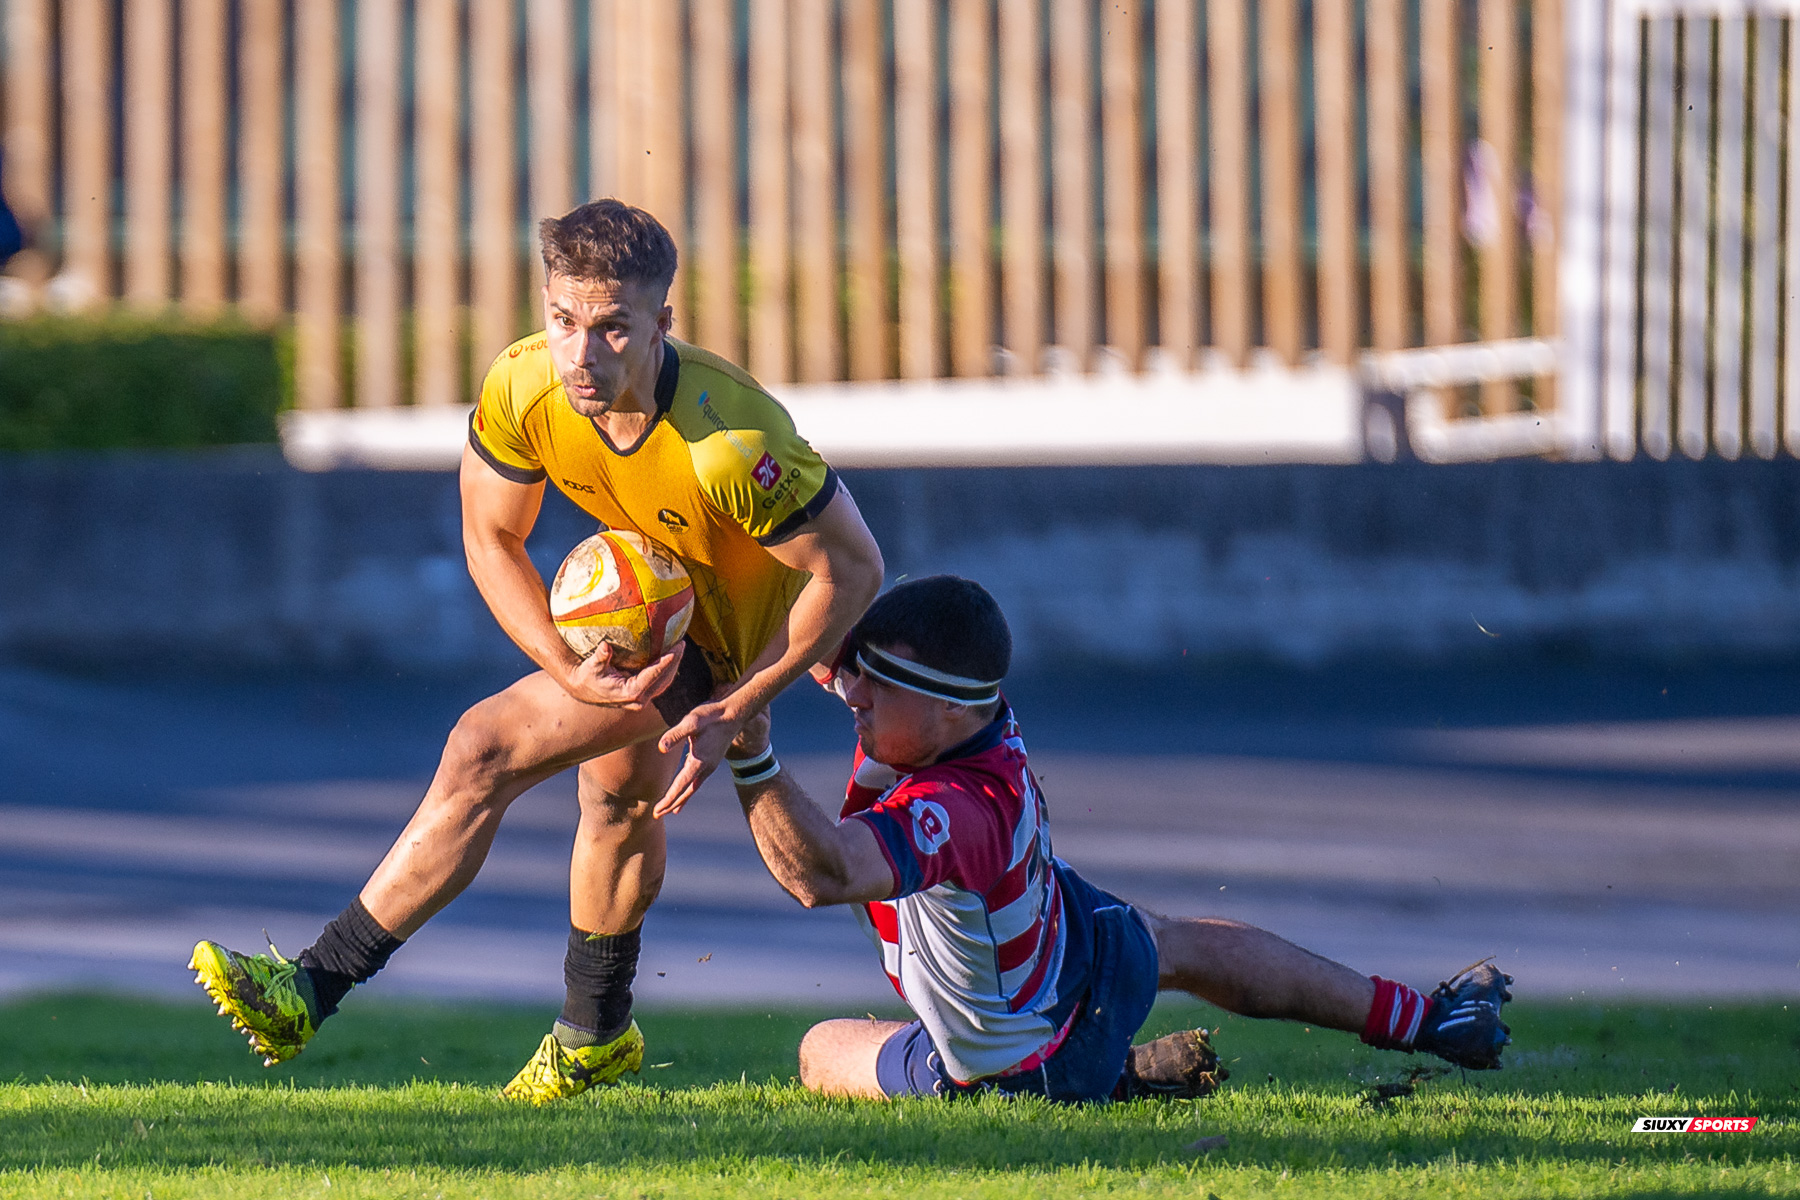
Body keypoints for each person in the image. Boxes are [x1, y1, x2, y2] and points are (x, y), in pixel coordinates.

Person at [190, 199, 885, 1103]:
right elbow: (490, 536)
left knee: (486, 747)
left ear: (660, 323)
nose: (581, 355)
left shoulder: (729, 440)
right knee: (617, 802)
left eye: (610, 329)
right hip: (649, 625)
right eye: (563, 321)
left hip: (730, 646)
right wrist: (564, 664)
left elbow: (855, 569)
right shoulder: (524, 385)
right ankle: (593, 1035)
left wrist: (746, 701)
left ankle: (310, 987)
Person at [725, 576, 1511, 1102]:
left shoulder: (956, 807)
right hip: (1069, 940)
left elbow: (821, 875)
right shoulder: (959, 721)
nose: (850, 693)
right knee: (1180, 944)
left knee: (820, 1048)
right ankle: (1428, 1019)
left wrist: (748, 750)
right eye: (856, 671)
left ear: (948, 710)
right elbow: (818, 628)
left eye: (876, 684)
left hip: (1020, 1062)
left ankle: (1106, 1078)